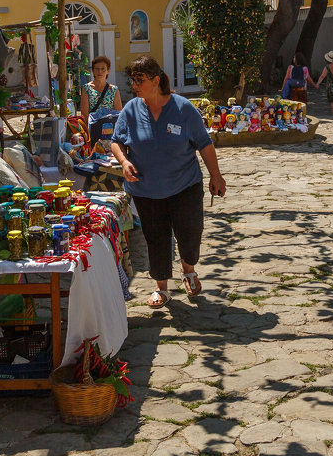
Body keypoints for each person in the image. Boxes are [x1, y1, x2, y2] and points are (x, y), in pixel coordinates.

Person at [110, 56, 226, 308]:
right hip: (146, 189)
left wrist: (216, 175)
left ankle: (188, 270)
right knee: (156, 237)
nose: (134, 85)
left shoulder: (183, 108)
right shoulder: (131, 110)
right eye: (132, 80)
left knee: (189, 232)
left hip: (185, 185)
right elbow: (116, 141)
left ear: (156, 80)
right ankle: (161, 287)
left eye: (139, 80)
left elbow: (204, 144)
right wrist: (124, 161)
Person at [80, 55, 123, 124]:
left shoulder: (114, 90)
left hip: (110, 129)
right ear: (93, 71)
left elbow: (118, 113)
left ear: (108, 71)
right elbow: (84, 113)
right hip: (93, 128)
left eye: (103, 69)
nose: (100, 71)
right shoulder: (86, 88)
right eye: (97, 69)